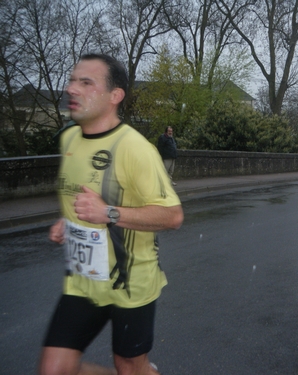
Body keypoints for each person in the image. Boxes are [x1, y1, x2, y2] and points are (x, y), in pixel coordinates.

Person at [38, 54, 184, 375]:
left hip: (129, 283)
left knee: (129, 367)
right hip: (82, 280)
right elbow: (82, 193)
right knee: (53, 369)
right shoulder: (68, 139)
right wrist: (68, 221)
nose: (72, 89)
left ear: (115, 96)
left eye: (86, 83)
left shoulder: (135, 149)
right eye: (73, 80)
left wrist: (108, 213)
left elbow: (172, 216)